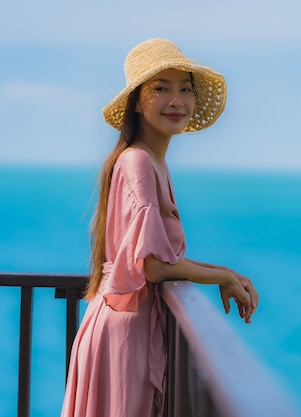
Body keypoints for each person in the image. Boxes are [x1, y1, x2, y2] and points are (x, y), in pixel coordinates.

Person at [61, 38, 258, 417]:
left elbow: (159, 257)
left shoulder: (148, 160)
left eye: (185, 89)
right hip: (126, 335)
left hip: (123, 327)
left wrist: (226, 273)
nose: (176, 100)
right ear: (137, 100)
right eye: (161, 88)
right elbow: (151, 266)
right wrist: (219, 278)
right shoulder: (138, 163)